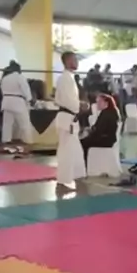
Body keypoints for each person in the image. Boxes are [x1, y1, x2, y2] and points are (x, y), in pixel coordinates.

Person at [55, 51, 86, 188]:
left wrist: (79, 104)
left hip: (70, 117)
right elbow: (68, 101)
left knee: (76, 150)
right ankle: (63, 180)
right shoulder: (65, 78)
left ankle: (78, 176)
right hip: (66, 117)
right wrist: (80, 105)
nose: (77, 62)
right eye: (74, 59)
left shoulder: (70, 77)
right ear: (68, 61)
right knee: (66, 150)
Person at [80, 93, 120, 166]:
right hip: (109, 139)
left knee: (82, 143)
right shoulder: (112, 112)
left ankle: (85, 165)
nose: (97, 104)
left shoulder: (106, 114)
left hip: (104, 140)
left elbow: (99, 130)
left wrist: (89, 132)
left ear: (106, 103)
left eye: (99, 102)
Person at [0, 61, 33, 149]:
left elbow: (1, 90)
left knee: (7, 124)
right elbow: (26, 89)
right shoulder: (20, 77)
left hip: (6, 101)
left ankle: (6, 140)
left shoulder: (5, 78)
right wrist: (29, 99)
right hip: (18, 101)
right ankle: (28, 141)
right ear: (18, 69)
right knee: (24, 123)